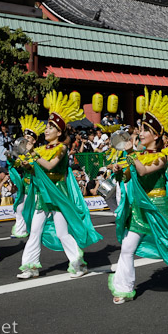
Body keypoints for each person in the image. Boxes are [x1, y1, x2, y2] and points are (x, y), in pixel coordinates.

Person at [110, 87, 168, 304]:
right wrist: (119, 172)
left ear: (155, 135)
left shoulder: (164, 156)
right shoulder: (140, 154)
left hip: (159, 207)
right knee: (127, 248)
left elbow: (143, 171)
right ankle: (124, 289)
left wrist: (130, 153)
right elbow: (128, 177)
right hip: (140, 210)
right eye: (140, 129)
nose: (139, 133)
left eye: (144, 130)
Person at [17, 91, 102, 280]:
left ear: (59, 132)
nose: (46, 130)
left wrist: (34, 157)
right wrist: (26, 165)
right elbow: (35, 171)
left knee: (63, 232)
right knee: (35, 230)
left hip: (58, 193)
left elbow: (50, 166)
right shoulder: (40, 149)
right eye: (47, 126)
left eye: (50, 127)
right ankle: (30, 266)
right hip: (43, 193)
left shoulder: (61, 148)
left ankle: (78, 263)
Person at [7, 114, 44, 239]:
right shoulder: (22, 154)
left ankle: (35, 231)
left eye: (28, 138)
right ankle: (20, 230)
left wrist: (29, 166)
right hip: (26, 186)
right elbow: (14, 165)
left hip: (36, 187)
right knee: (19, 208)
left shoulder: (38, 153)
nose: (25, 140)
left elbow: (39, 170)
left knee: (35, 210)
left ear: (34, 141)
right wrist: (9, 158)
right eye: (25, 137)